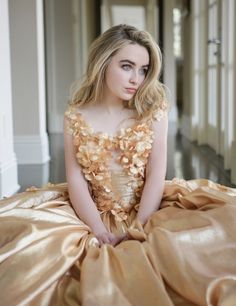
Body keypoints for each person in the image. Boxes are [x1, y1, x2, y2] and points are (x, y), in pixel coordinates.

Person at [0, 24, 236, 306]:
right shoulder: (75, 116)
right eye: (127, 66)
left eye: (144, 69)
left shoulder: (153, 111)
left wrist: (141, 225)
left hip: (149, 206)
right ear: (103, 62)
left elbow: (156, 173)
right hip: (91, 209)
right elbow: (76, 179)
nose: (136, 78)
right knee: (33, 251)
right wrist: (98, 229)